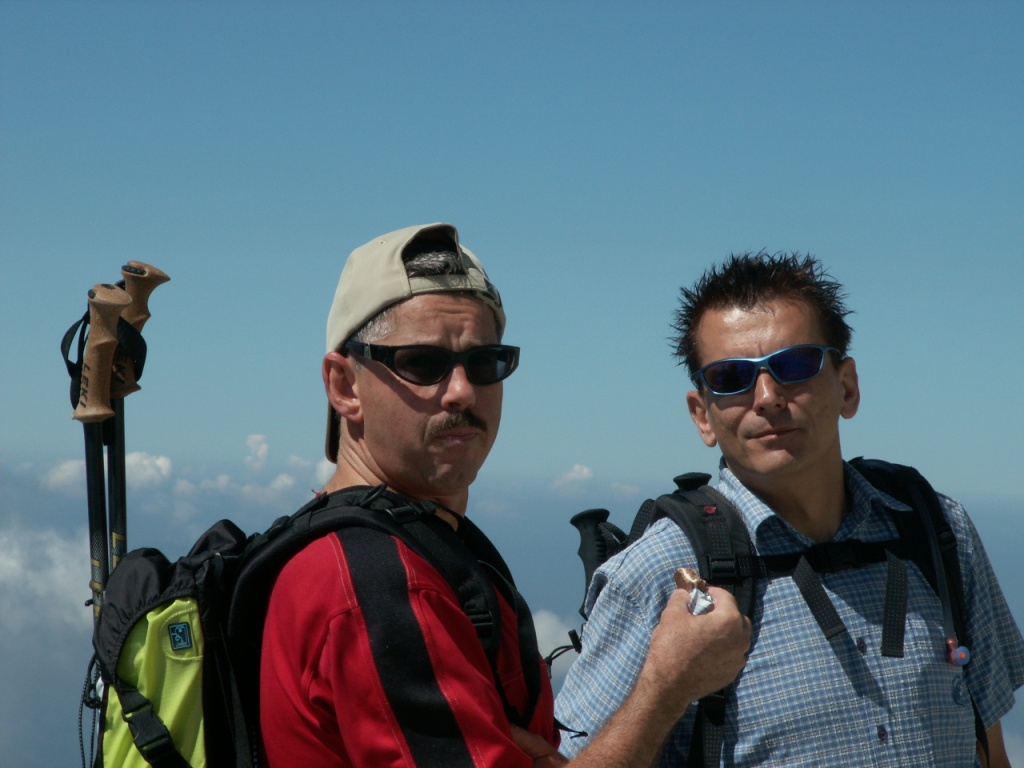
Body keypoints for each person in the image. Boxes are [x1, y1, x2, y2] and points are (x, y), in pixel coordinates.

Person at [259, 223, 751, 768]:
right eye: (421, 363)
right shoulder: (377, 587)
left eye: (485, 362)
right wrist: (667, 685)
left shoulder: (389, 545)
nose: (462, 391)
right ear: (344, 386)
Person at [555, 251, 1024, 767]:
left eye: (795, 365)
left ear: (847, 387)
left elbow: (990, 750)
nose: (768, 397)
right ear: (702, 415)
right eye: (730, 376)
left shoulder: (937, 530)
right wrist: (665, 686)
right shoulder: (656, 576)